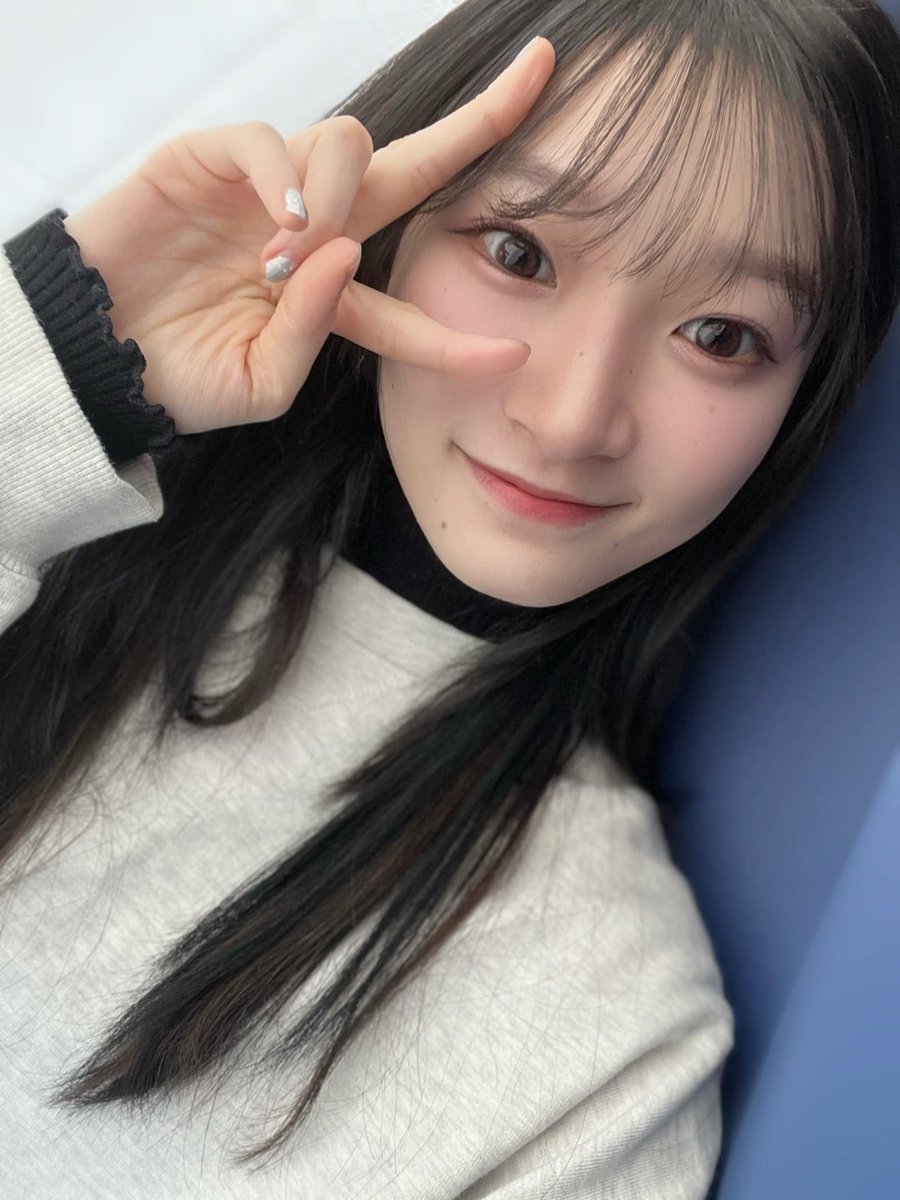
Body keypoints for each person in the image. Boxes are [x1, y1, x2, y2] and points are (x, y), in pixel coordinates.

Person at [1, 0, 898, 1195]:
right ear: (390, 227)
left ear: (801, 405)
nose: (573, 417)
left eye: (721, 335)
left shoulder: (611, 1039)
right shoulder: (48, 511)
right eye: (519, 254)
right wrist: (61, 365)